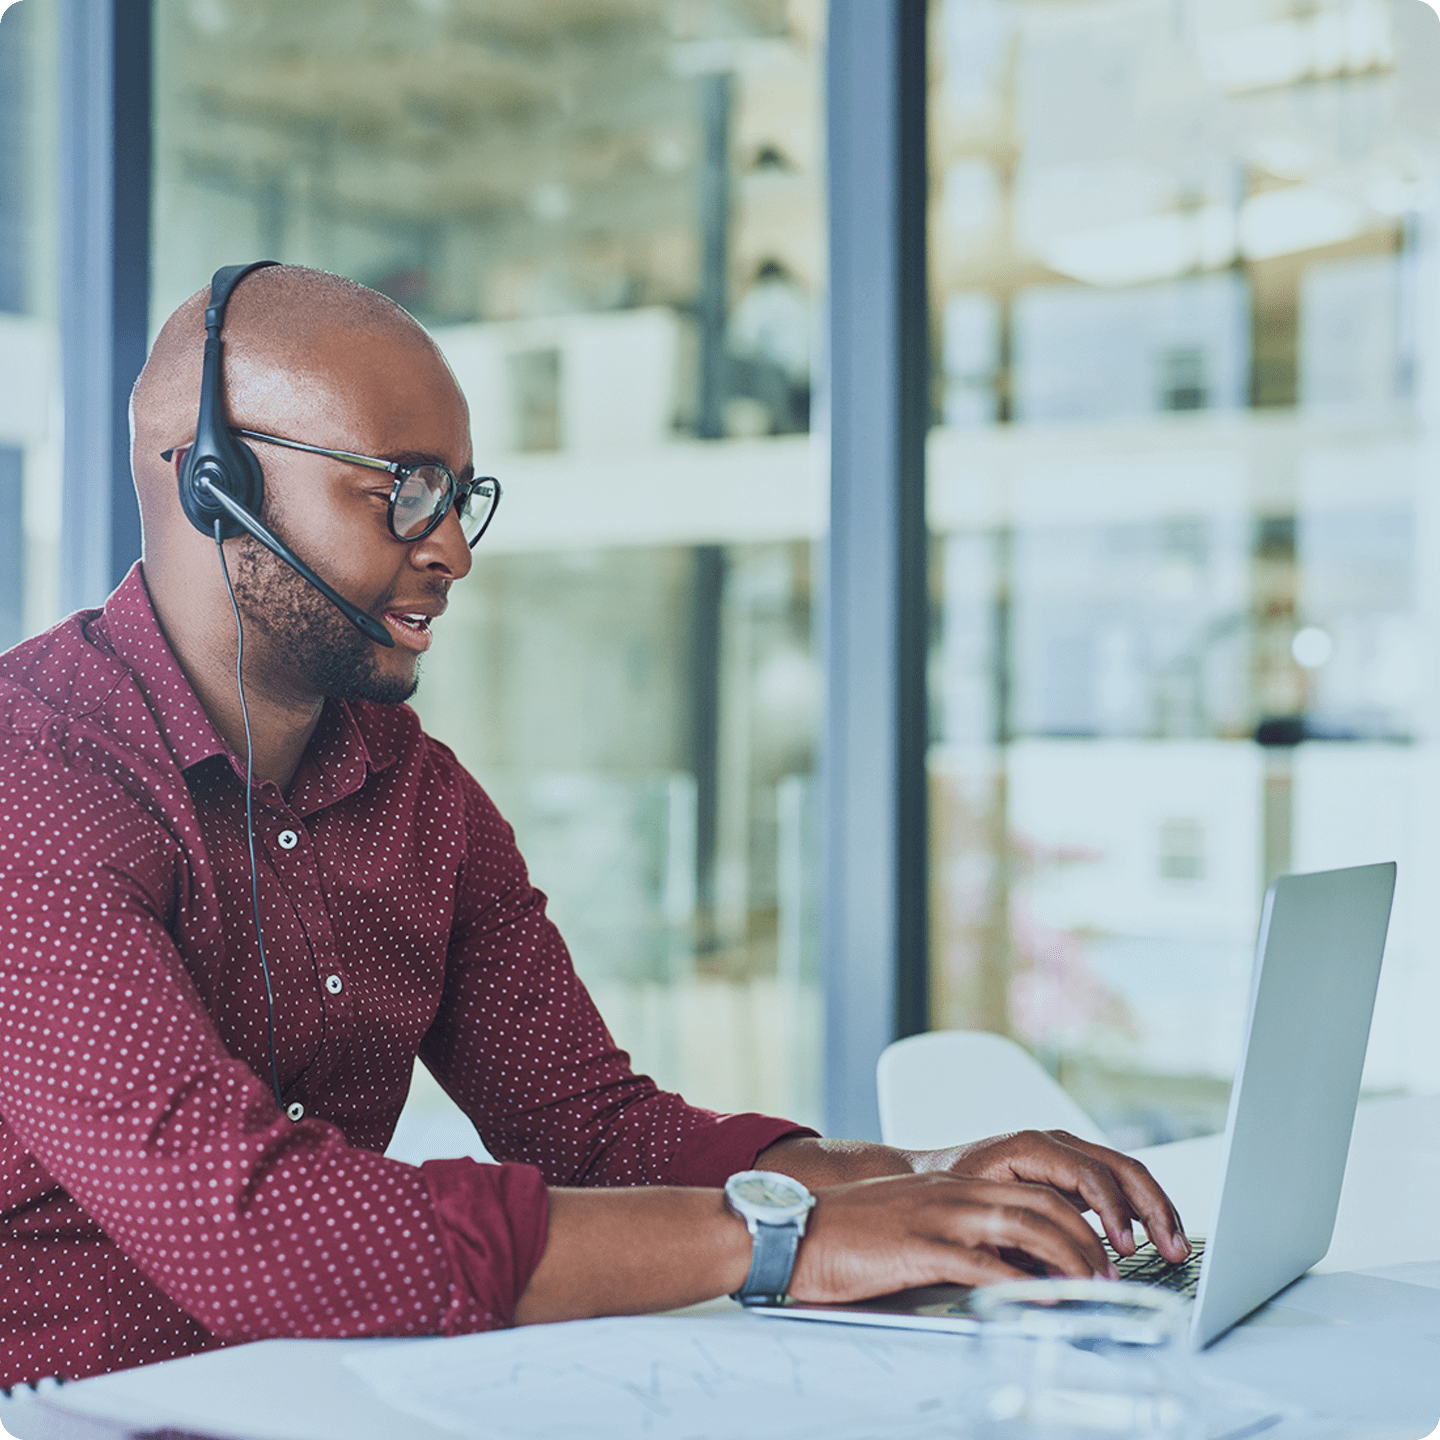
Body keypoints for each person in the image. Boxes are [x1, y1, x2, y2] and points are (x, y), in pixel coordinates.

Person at [0, 265, 1188, 1388]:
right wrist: (781, 1241)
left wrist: (922, 1182)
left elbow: (590, 1128)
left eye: (460, 498)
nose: (454, 549)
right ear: (215, 480)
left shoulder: (419, 797)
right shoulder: (31, 782)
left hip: (329, 1402)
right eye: (400, 490)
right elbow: (257, 1232)